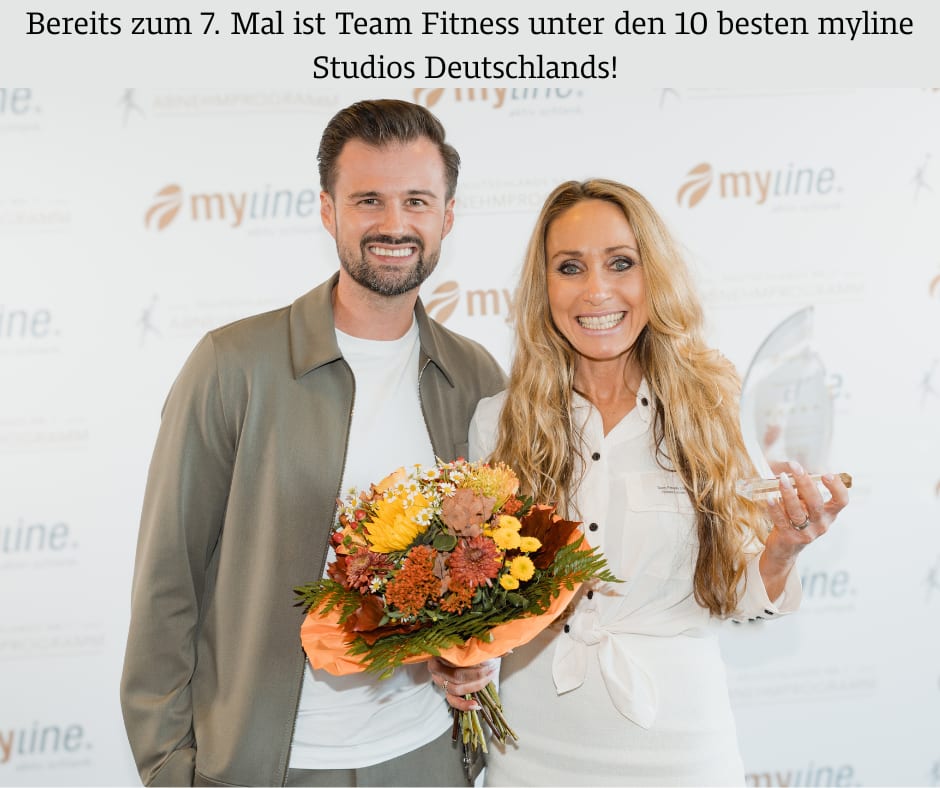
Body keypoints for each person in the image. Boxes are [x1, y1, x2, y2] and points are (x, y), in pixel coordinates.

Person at [120, 99, 504, 787]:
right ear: (328, 210)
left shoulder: (474, 375)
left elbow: (489, 573)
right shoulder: (233, 365)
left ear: (447, 217)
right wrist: (169, 767)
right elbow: (166, 583)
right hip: (268, 764)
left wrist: (475, 661)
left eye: (416, 200)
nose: (394, 224)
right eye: (368, 200)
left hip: (426, 758)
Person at [467, 179, 850, 786]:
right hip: (532, 754)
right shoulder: (498, 421)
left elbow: (739, 593)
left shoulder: (716, 410)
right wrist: (462, 657)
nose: (597, 290)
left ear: (656, 277)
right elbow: (483, 603)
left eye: (622, 263)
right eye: (570, 267)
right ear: (545, 288)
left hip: (682, 752)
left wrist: (782, 549)